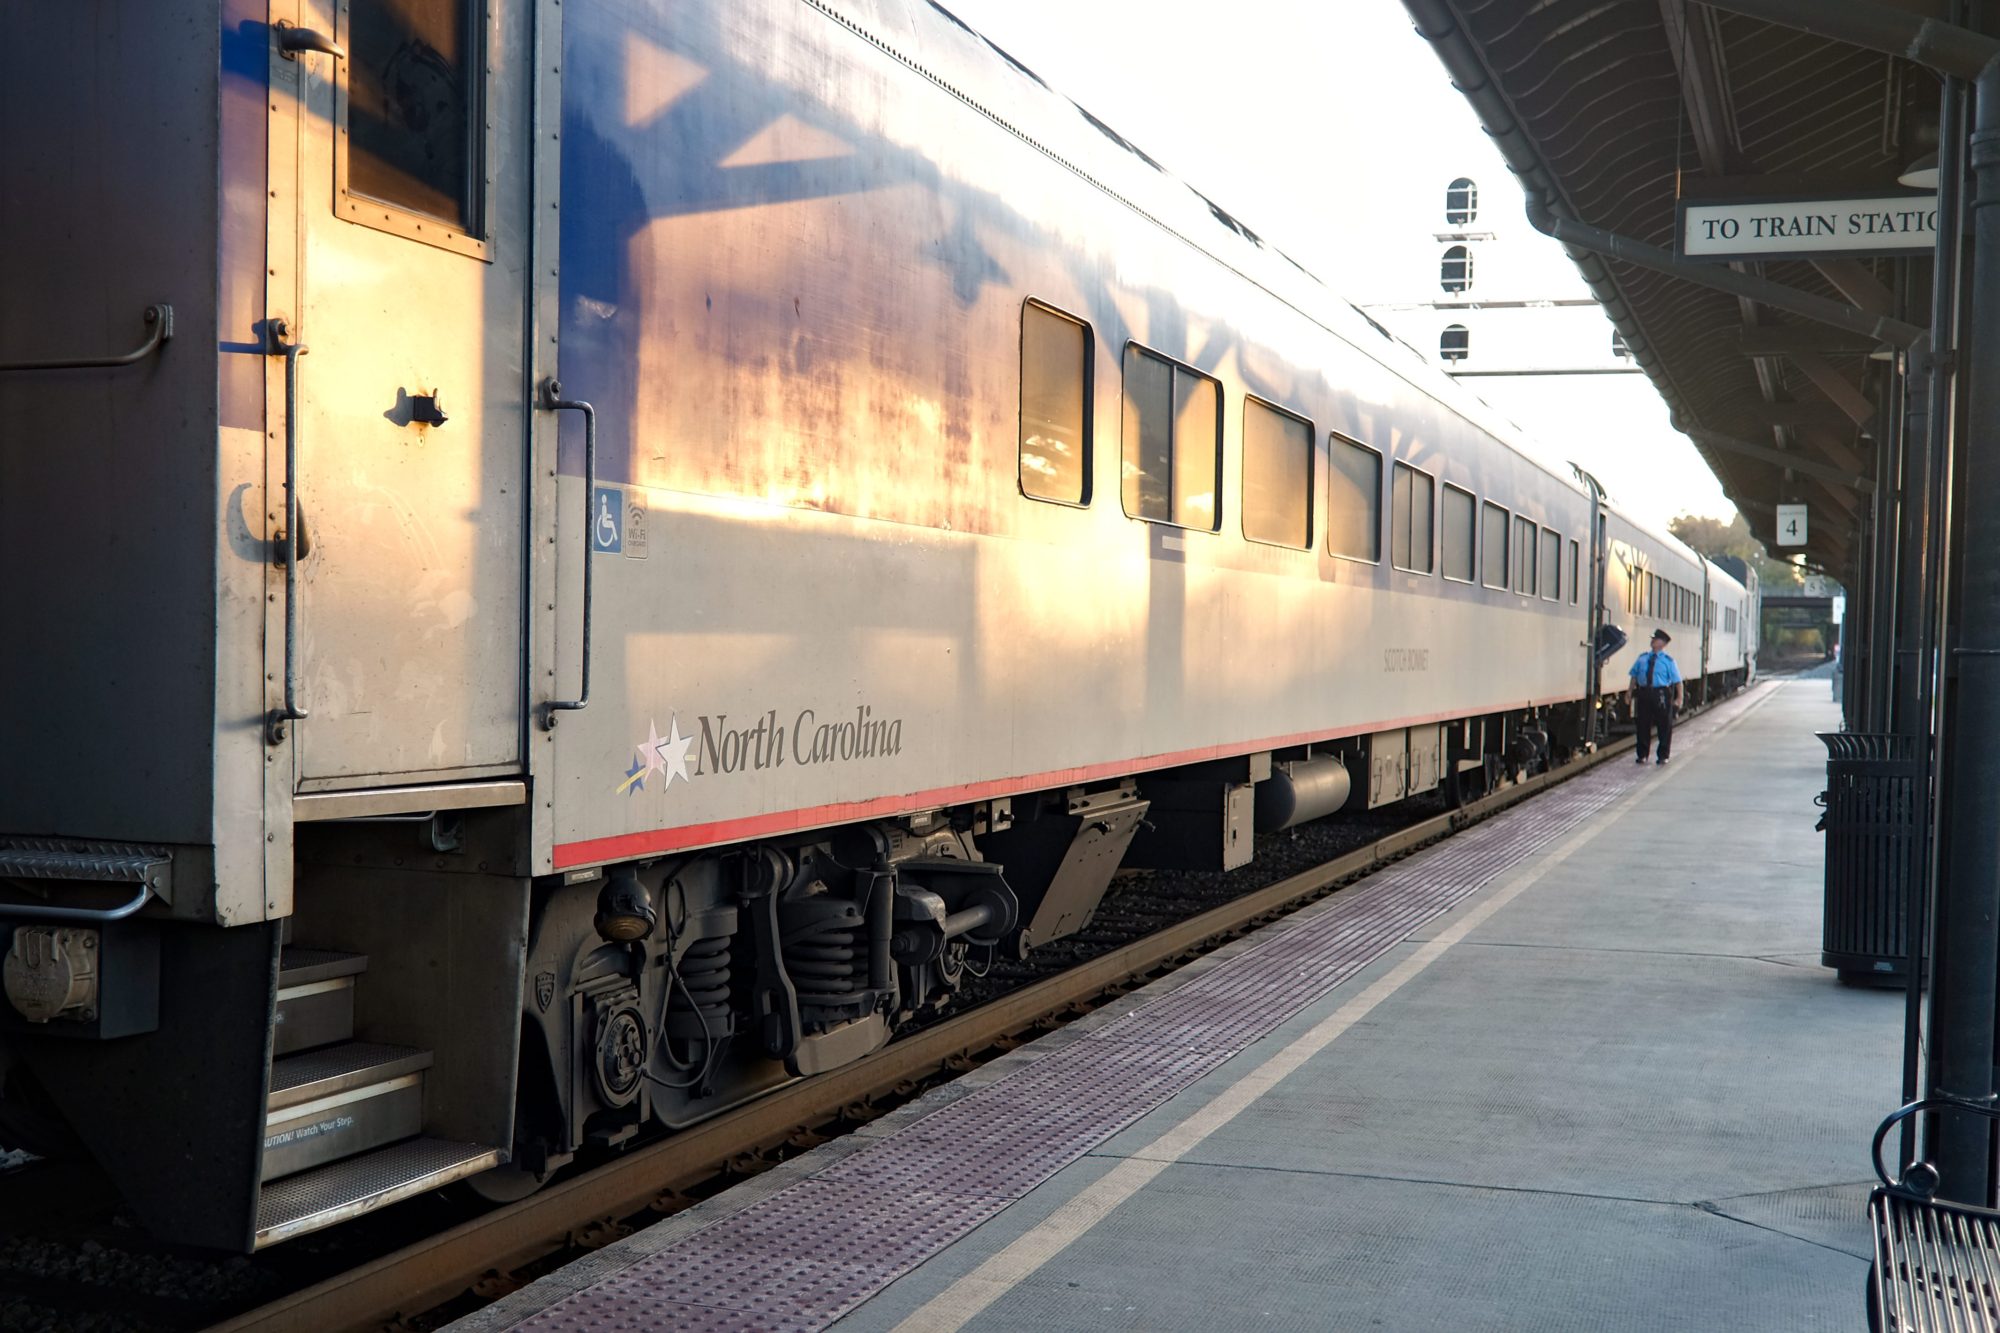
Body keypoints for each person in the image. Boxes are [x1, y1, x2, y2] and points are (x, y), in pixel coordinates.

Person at [1628, 629, 1684, 765]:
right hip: (1644, 692)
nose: (1652, 641)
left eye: (1656, 639)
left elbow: (1677, 681)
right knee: (1642, 724)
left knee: (1664, 725)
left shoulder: (1669, 661)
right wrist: (1629, 692)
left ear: (1663, 643)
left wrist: (1679, 698)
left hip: (1661, 694)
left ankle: (1663, 755)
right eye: (1652, 639)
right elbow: (1634, 676)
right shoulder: (1642, 658)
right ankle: (1642, 755)